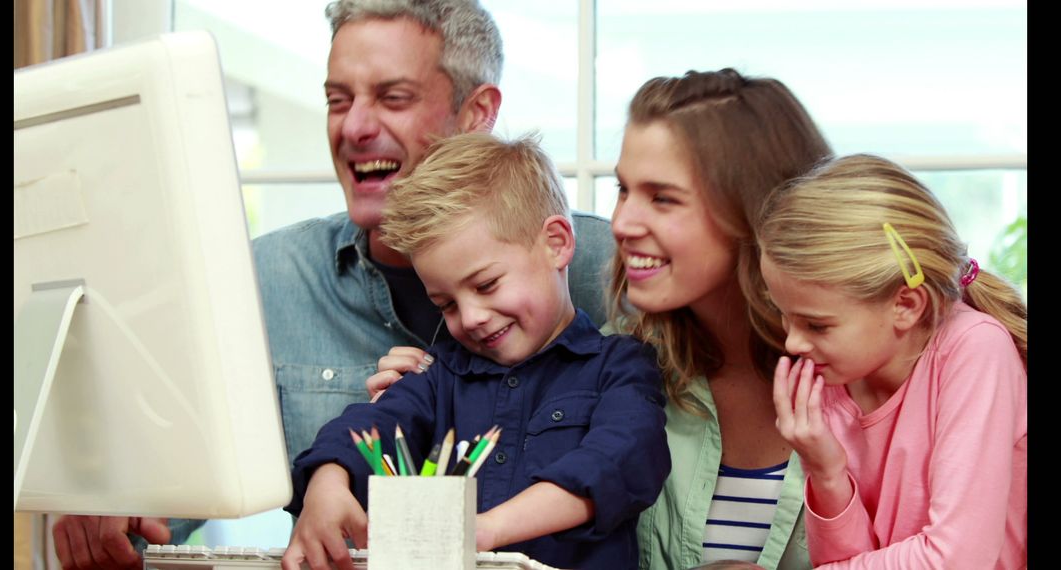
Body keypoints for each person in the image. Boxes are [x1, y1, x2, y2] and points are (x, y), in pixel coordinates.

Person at [50, 2, 614, 568]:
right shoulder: (262, 280)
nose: (355, 127)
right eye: (337, 100)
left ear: (477, 112)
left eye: (393, 98)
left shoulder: (602, 269)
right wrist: (110, 497)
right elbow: (152, 500)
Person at [281, 132, 671, 570]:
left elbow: (619, 461)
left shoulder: (619, 365)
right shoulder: (439, 374)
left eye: (486, 285)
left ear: (556, 243)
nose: (470, 318)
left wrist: (483, 530)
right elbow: (368, 426)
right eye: (445, 304)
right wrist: (326, 483)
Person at [754, 154, 1027, 568]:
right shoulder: (834, 376)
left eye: (815, 324)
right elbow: (854, 559)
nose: (792, 342)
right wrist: (826, 471)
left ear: (906, 304)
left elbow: (957, 559)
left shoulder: (975, 350)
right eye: (783, 314)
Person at [610, 68, 832, 569]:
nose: (622, 223)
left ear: (752, 210)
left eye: (662, 198)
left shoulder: (879, 383)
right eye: (623, 190)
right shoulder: (614, 371)